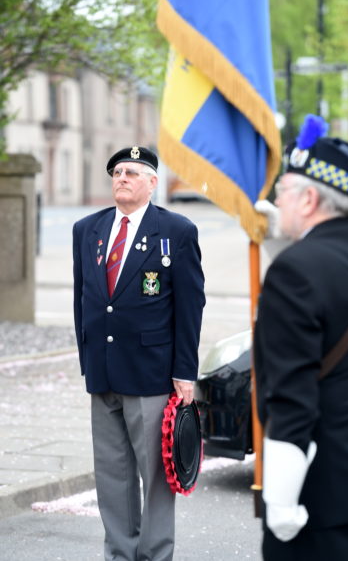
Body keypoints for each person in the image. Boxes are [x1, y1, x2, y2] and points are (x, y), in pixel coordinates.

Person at [72, 146, 205, 561]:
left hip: (152, 374)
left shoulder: (177, 231)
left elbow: (189, 306)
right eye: (116, 172)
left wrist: (185, 372)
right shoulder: (87, 229)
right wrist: (87, 359)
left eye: (132, 172)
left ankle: (155, 554)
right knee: (113, 477)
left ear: (152, 182)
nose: (122, 178)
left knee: (156, 477)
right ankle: (120, 554)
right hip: (103, 373)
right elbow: (84, 299)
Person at [254, 115, 348, 561]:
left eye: (282, 191)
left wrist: (282, 501)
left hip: (320, 499)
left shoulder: (294, 272)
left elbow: (291, 396)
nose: (276, 201)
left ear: (308, 198)